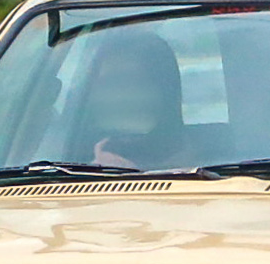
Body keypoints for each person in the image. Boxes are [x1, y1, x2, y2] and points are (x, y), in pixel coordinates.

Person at [77, 31, 187, 169]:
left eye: (136, 82)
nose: (122, 96)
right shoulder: (62, 156)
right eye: (110, 83)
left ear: (166, 92)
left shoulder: (206, 169)